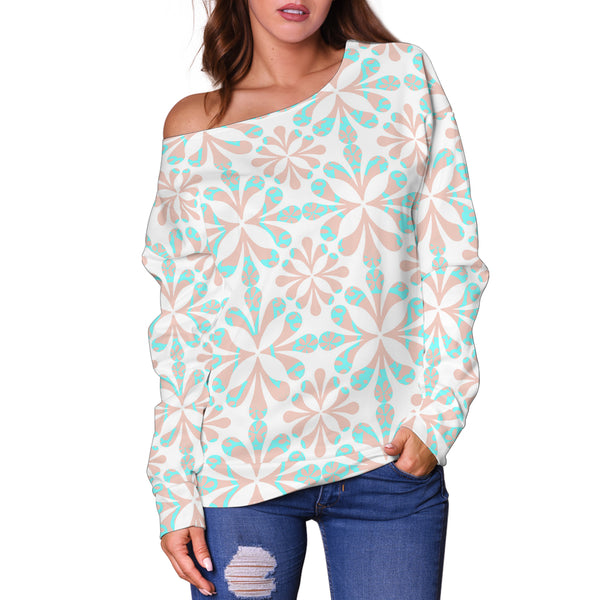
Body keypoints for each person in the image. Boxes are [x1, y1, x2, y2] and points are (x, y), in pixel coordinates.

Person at [140, 1, 490, 598]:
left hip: (386, 463)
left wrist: (440, 415)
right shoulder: (196, 127)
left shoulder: (399, 80)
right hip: (240, 468)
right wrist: (173, 485)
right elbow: (184, 320)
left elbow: (450, 258)